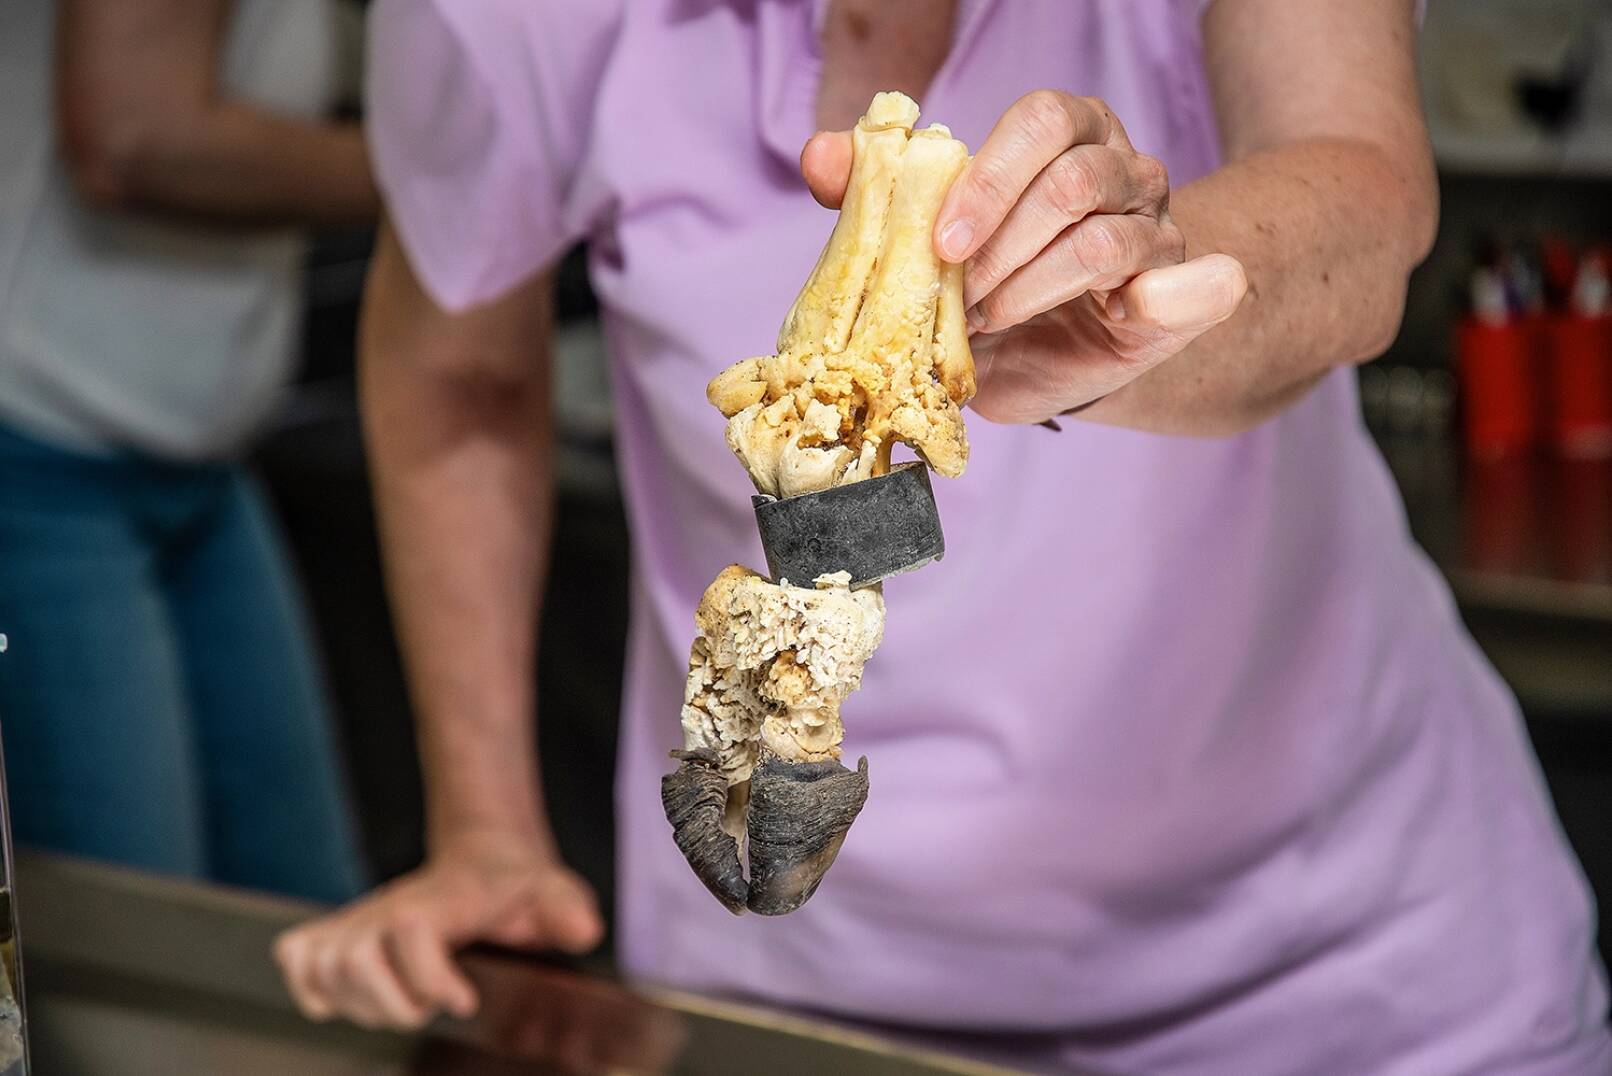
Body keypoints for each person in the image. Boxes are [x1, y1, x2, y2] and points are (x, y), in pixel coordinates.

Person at [276, 0, 1612, 1069]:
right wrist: (489, 834)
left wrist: (1127, 292)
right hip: (803, 1000)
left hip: (1343, 979)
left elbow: (1363, 212)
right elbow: (457, 368)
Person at [0, 0, 377, 902]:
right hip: (41, 456)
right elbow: (134, 135)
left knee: (297, 912)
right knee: (138, 942)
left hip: (202, 464)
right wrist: (486, 173)